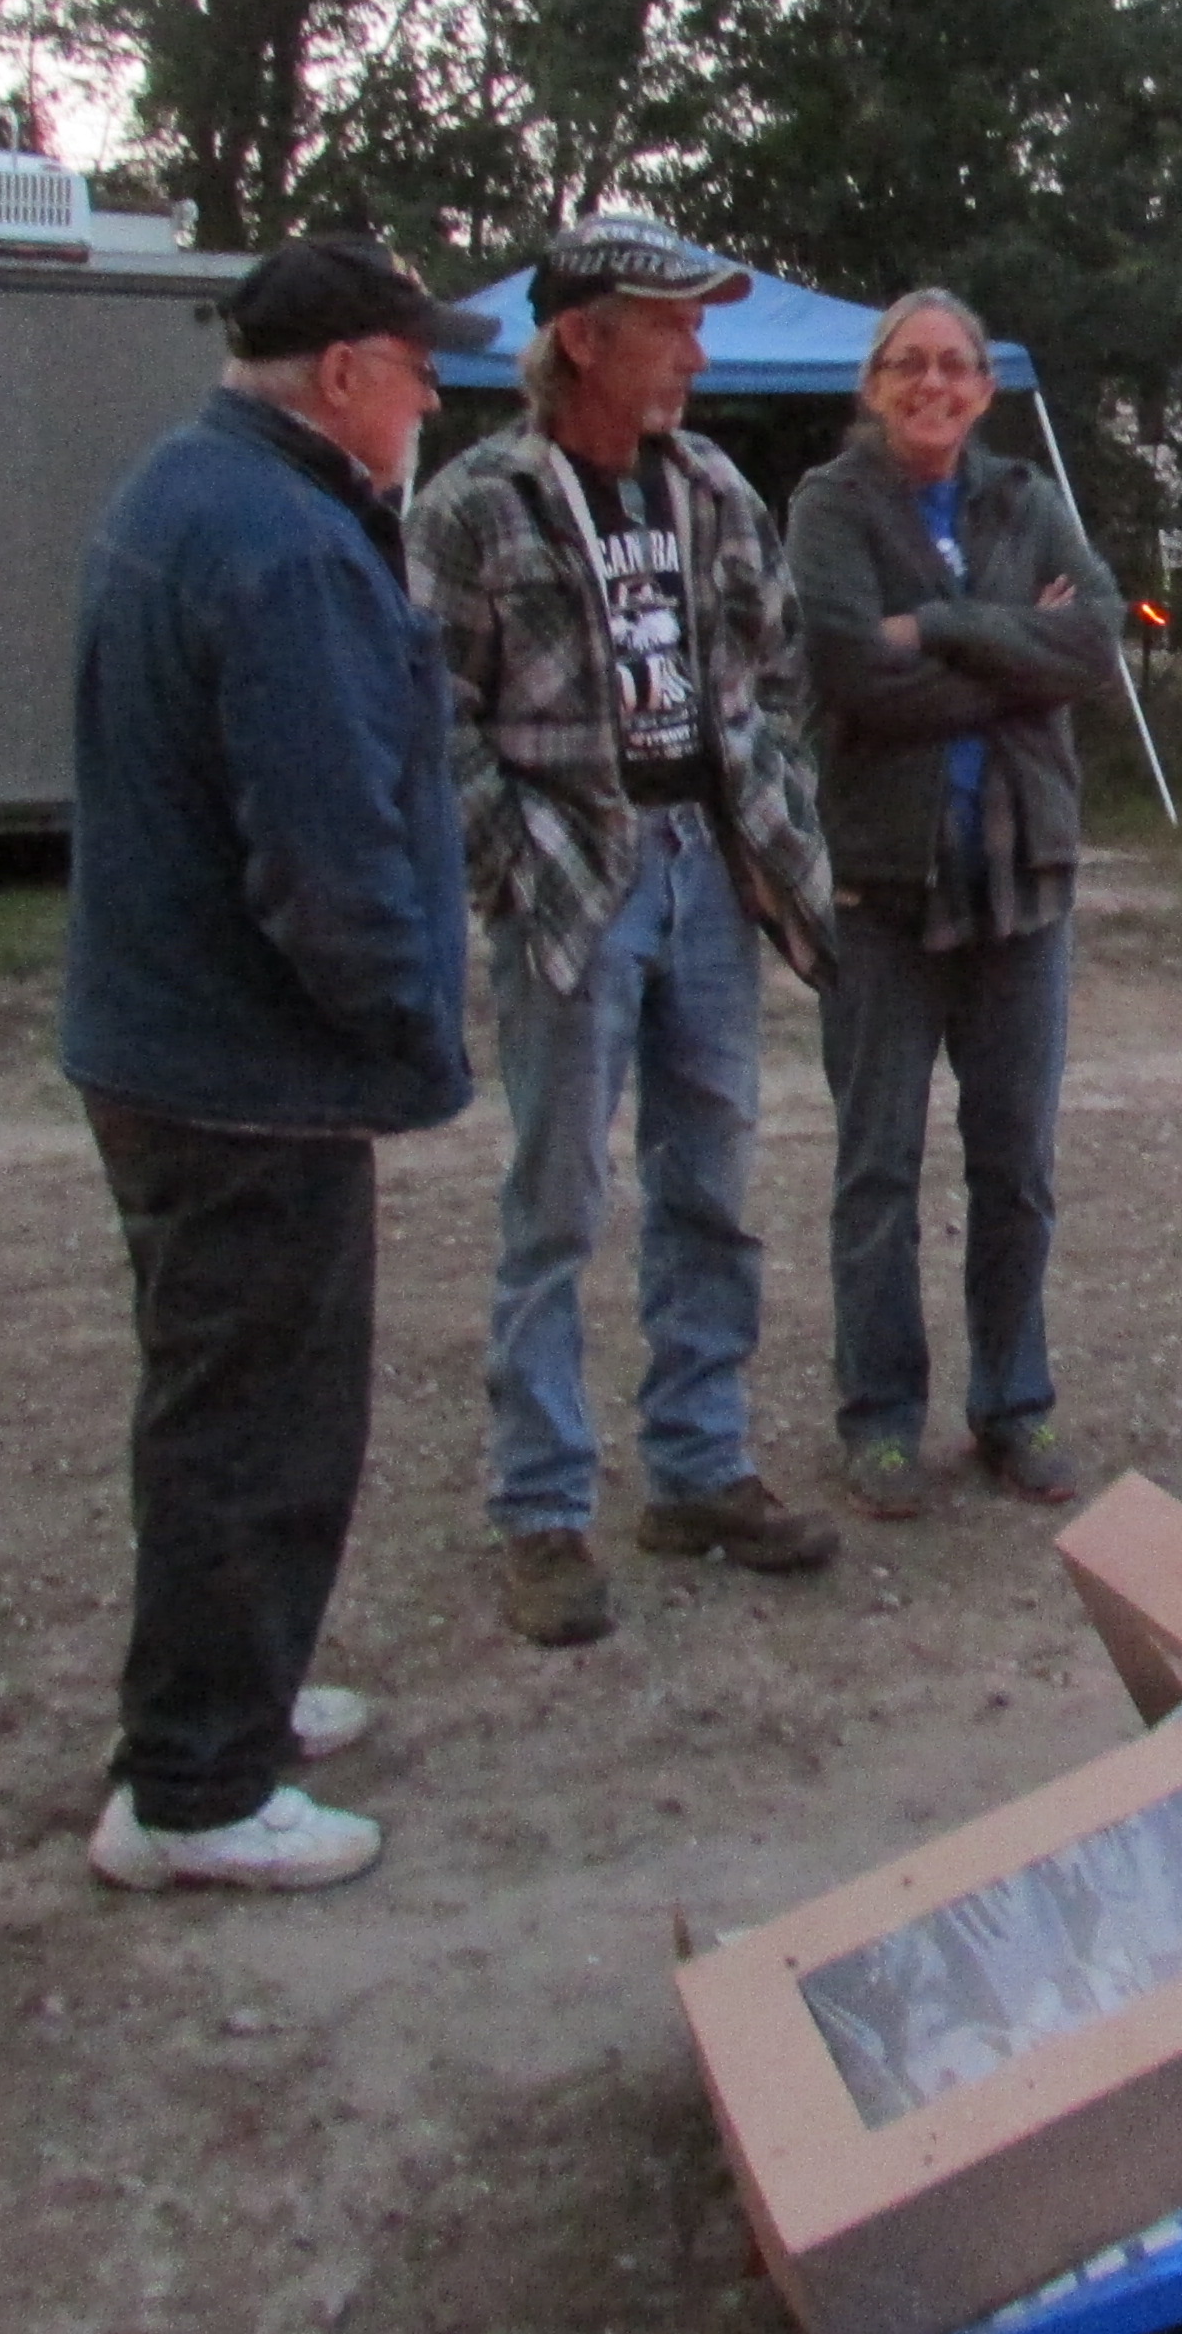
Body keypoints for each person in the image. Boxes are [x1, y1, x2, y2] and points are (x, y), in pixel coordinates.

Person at [61, 233, 492, 1892]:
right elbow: (326, 849)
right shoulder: (287, 548)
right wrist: (405, 1020)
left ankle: (225, 1696)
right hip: (246, 1067)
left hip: (167, 1045)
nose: (431, 394)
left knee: (217, 1403)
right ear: (342, 377)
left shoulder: (185, 490)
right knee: (259, 1422)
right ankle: (192, 1790)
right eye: (415, 365)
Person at [409, 211, 841, 1645]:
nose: (697, 354)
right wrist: (517, 859)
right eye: (671, 327)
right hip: (573, 874)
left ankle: (697, 1469)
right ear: (583, 338)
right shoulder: (477, 504)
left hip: (705, 868)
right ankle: (542, 1508)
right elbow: (432, 717)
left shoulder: (713, 488)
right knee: (558, 1201)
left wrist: (763, 814)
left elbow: (777, 673)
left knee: (710, 1180)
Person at [783, 290, 1122, 1517]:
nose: (933, 384)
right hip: (882, 887)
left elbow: (1094, 647)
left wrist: (933, 624)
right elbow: (846, 676)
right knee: (877, 1167)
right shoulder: (830, 506)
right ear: (875, 384)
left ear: (984, 388)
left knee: (1016, 1167)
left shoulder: (1026, 500)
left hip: (1021, 881)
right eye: (909, 365)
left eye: (956, 366)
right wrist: (1009, 668)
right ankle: (878, 1422)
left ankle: (1012, 1407)